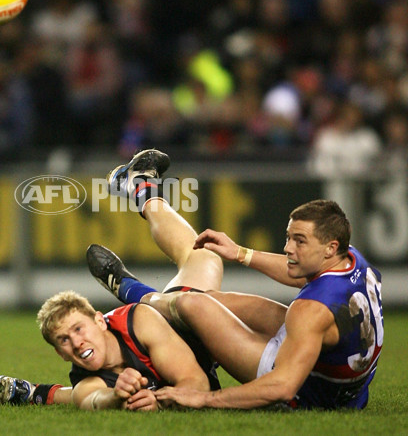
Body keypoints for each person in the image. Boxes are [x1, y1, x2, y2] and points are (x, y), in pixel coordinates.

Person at [93, 149, 383, 410]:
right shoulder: (351, 259)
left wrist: (204, 398)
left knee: (192, 302)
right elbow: (306, 277)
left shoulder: (311, 311)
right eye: (288, 238)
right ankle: (141, 192)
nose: (287, 248)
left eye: (299, 241)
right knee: (204, 284)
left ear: (330, 247)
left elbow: (283, 387)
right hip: (332, 368)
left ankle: (133, 289)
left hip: (309, 388)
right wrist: (240, 253)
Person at [0, 149, 224, 410]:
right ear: (59, 353)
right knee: (203, 261)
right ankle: (35, 393)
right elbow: (93, 399)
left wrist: (155, 400)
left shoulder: (139, 322)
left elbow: (197, 384)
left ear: (100, 320)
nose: (76, 343)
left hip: (190, 325)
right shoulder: (86, 382)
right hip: (194, 337)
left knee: (204, 259)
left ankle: (141, 194)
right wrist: (118, 396)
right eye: (64, 340)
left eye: (78, 329)